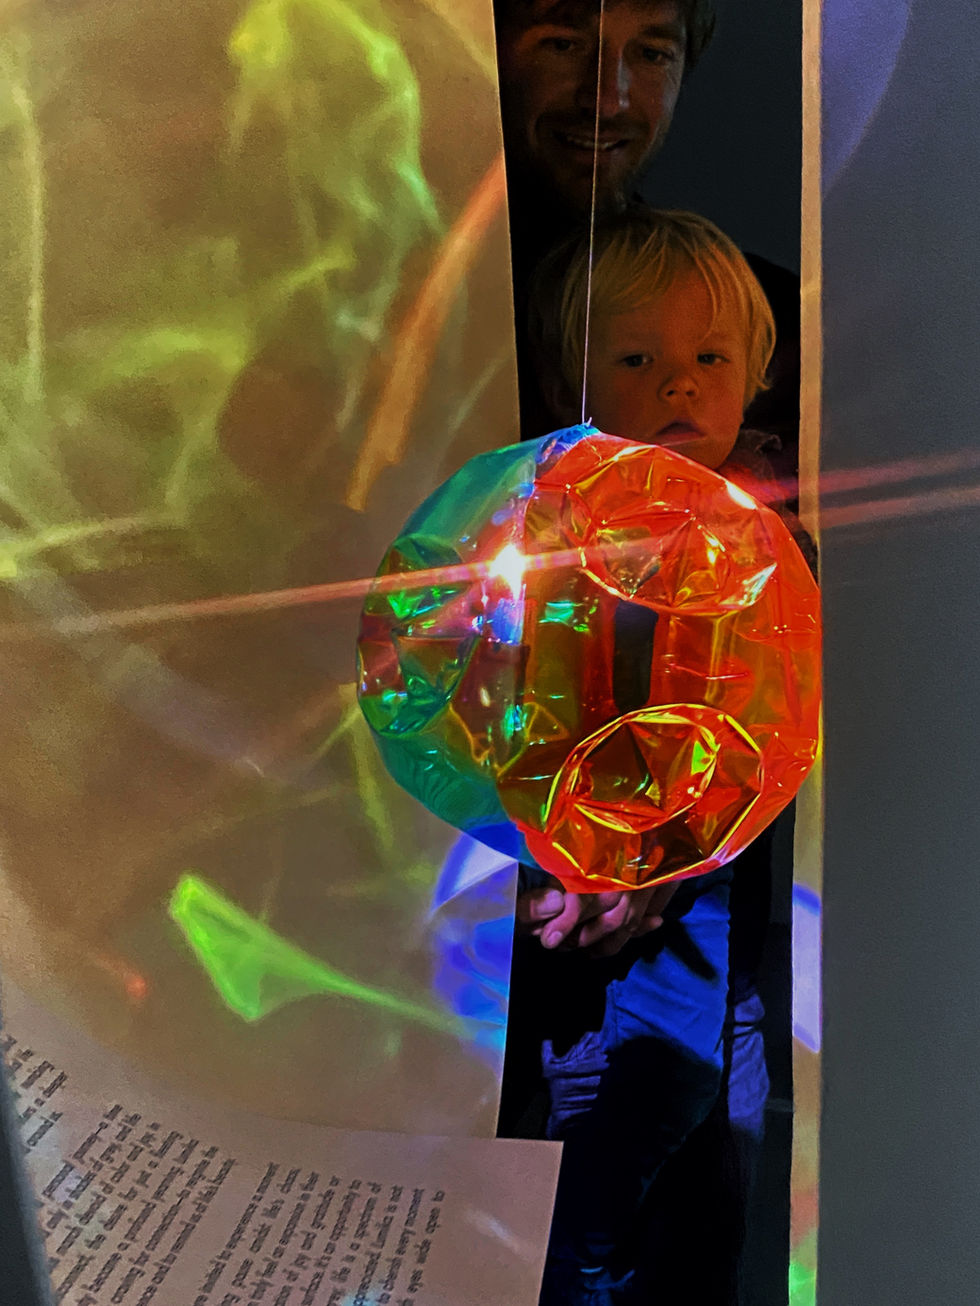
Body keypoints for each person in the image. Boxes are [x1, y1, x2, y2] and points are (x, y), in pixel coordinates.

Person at [508, 206, 812, 1306]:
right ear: (568, 381)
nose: (681, 387)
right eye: (638, 360)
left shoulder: (772, 538)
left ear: (756, 373)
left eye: (709, 359)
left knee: (713, 1197)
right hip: (603, 957)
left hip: (716, 945)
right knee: (588, 1199)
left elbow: (775, 729)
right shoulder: (546, 533)